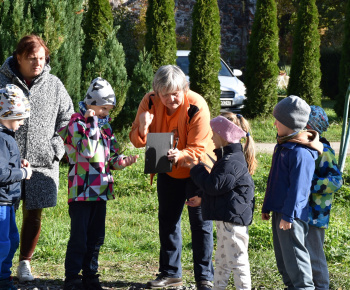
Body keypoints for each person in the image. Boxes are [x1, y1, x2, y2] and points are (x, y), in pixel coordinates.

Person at [129, 65, 215, 289]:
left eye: (175, 93)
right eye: (164, 94)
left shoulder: (197, 106)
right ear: (156, 92)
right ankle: (170, 273)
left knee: (200, 222)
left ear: (184, 88)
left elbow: (199, 149)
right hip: (166, 166)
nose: (170, 99)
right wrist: (143, 127)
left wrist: (182, 154)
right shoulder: (149, 101)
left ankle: (204, 277)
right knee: (167, 220)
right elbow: (136, 141)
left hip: (197, 169)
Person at [0, 34, 74, 282]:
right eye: (32, 58)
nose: (38, 63)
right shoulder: (1, 81)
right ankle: (2, 266)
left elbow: (68, 118)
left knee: (34, 215)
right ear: (18, 57)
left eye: (42, 58)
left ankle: (24, 263)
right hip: (5, 163)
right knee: (4, 215)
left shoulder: (54, 85)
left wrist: (56, 148)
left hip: (43, 164)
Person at [58, 77, 139, 290]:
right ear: (91, 104)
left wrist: (122, 162)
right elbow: (88, 150)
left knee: (95, 237)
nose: (106, 113)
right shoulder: (77, 123)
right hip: (81, 192)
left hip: (100, 191)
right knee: (79, 236)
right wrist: (92, 121)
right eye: (103, 108)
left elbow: (110, 157)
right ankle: (72, 277)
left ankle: (90, 274)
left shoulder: (105, 128)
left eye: (108, 109)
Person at [185, 113, 256, 290]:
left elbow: (214, 185)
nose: (211, 137)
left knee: (238, 261)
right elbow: (223, 190)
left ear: (224, 136)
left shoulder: (231, 162)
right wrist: (203, 199)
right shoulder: (227, 159)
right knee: (223, 262)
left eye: (213, 133)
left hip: (233, 221)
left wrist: (195, 168)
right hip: (227, 219)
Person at [261, 95, 323, 289]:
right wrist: (267, 206)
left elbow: (299, 189)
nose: (274, 123)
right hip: (280, 212)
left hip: (291, 216)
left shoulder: (300, 152)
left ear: (290, 122)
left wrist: (288, 216)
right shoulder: (282, 146)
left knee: (296, 261)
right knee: (284, 261)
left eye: (278, 120)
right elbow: (274, 181)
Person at [305, 106, 342, 290]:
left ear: (312, 128)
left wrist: (310, 184)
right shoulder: (304, 147)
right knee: (304, 253)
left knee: (314, 254)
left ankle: (321, 286)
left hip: (316, 214)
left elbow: (336, 181)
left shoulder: (324, 151)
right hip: (303, 212)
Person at [0, 84, 32, 290]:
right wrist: (23, 174)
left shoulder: (7, 137)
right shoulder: (2, 139)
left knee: (11, 239)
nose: (21, 123)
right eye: (19, 118)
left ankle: (4, 276)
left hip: (8, 201)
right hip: (1, 201)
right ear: (7, 114)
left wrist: (18, 163)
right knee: (2, 242)